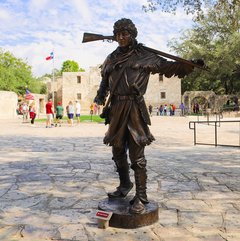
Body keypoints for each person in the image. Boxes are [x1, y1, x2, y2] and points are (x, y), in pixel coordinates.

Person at [94, 18, 204, 214]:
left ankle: (141, 196)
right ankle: (125, 185)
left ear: (132, 34)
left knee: (137, 154)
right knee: (117, 150)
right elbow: (105, 79)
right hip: (116, 108)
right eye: (118, 33)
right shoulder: (111, 57)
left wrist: (189, 65)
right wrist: (100, 96)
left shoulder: (145, 56)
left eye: (125, 33)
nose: (121, 37)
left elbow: (169, 67)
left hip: (134, 108)